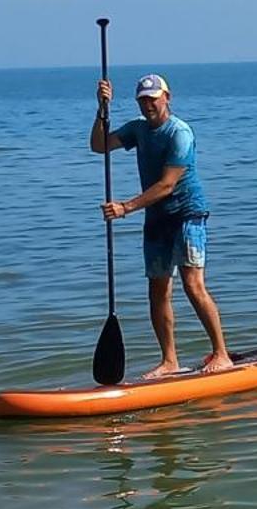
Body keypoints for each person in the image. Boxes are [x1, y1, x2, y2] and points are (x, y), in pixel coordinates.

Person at [90, 73, 233, 376]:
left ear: (167, 98)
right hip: (156, 218)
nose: (148, 105)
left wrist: (125, 207)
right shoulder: (138, 130)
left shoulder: (179, 133)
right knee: (157, 290)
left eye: (153, 99)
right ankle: (169, 361)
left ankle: (221, 354)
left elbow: (167, 185)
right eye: (143, 100)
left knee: (193, 285)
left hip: (187, 215)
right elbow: (100, 146)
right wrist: (102, 109)